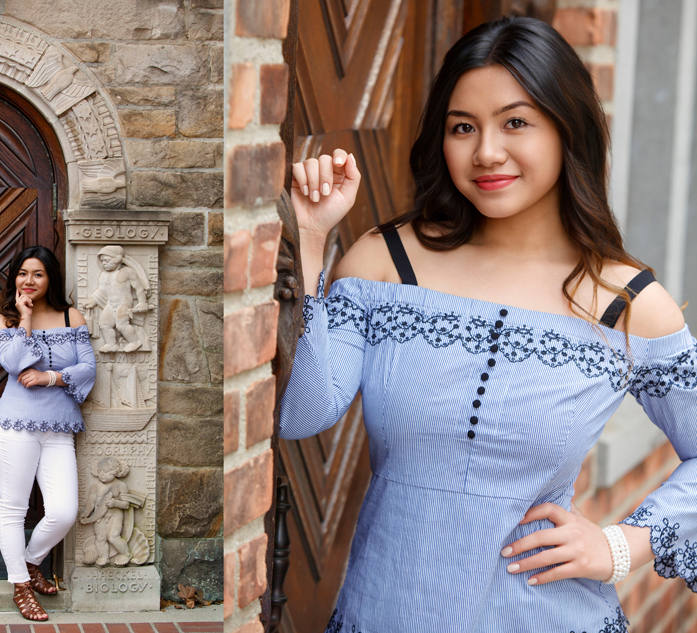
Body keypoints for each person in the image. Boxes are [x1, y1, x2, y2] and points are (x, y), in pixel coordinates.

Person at [280, 17, 696, 632]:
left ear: (567, 128)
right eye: (462, 127)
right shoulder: (384, 264)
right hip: (388, 612)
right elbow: (301, 414)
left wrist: (619, 547)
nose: (486, 153)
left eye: (516, 122)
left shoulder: (625, 301)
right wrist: (312, 241)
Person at [0, 245, 95, 621]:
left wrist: (51, 377)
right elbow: (15, 362)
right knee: (14, 509)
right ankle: (20, 585)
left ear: (51, 278)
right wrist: (25, 319)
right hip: (14, 427)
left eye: (37, 274)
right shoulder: (3, 321)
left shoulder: (71, 317)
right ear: (14, 278)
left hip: (59, 429)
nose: (29, 281)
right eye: (22, 273)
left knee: (65, 511)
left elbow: (88, 370)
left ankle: (32, 561)